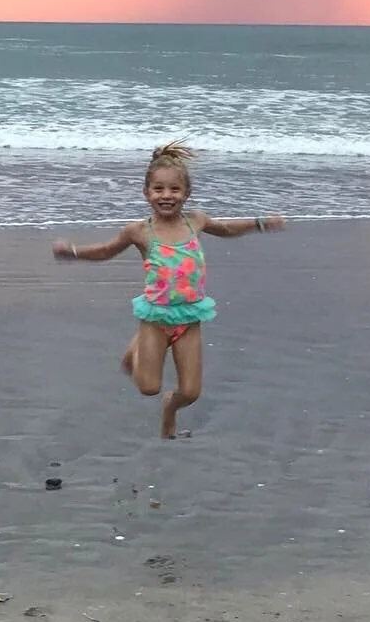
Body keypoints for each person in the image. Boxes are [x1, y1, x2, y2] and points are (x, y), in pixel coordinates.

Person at [53, 142, 285, 437]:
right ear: (146, 193)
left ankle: (170, 409)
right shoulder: (139, 231)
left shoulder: (196, 221)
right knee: (148, 387)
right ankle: (135, 349)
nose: (166, 196)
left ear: (186, 193)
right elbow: (105, 251)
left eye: (174, 189)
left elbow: (226, 230)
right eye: (158, 189)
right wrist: (74, 252)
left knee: (190, 393)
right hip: (155, 319)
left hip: (189, 319)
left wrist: (260, 223)